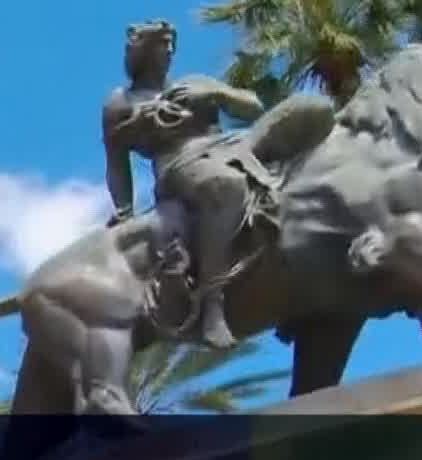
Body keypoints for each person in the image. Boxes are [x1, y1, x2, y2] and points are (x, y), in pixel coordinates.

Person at [102, 20, 334, 347]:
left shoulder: (194, 82)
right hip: (180, 164)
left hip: (234, 144)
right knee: (227, 185)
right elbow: (116, 163)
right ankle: (212, 302)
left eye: (171, 44)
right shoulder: (120, 101)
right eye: (162, 44)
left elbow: (253, 108)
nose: (169, 50)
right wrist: (124, 209)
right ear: (143, 50)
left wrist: (217, 93)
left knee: (314, 109)